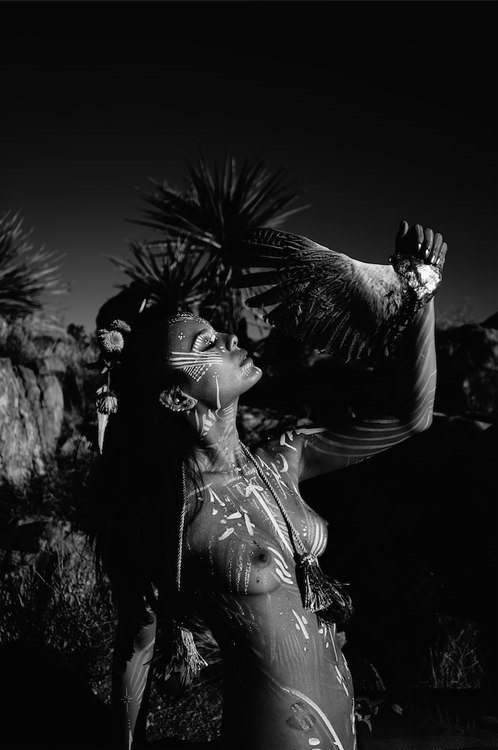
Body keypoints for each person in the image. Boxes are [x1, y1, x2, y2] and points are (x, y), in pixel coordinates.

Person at [89, 221, 445, 750]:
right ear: (177, 398)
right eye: (208, 343)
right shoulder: (171, 515)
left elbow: (412, 417)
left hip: (347, 725)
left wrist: (420, 291)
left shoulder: (284, 459)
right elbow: (136, 650)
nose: (232, 338)